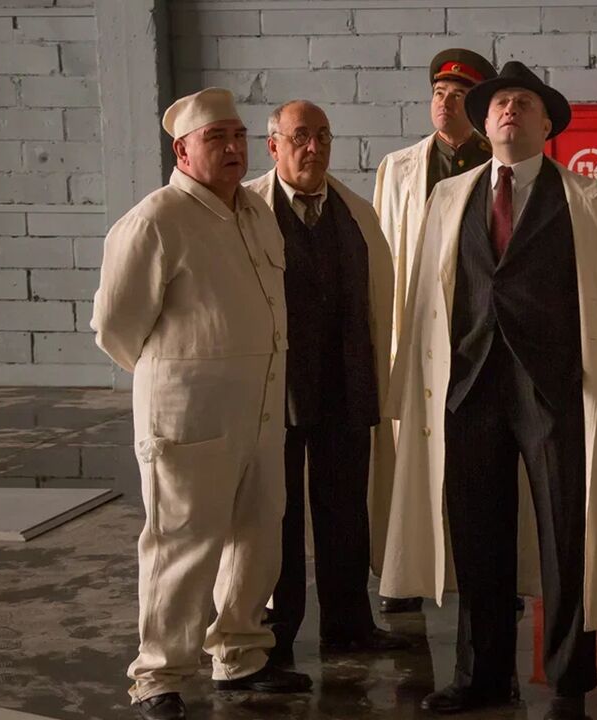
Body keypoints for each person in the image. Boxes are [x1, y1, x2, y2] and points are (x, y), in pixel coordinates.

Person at [383, 61, 597, 720]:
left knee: (568, 536)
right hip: (469, 386)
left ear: (548, 124)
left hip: (557, 389)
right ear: (484, 121)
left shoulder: (587, 197)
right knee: (478, 536)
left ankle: (567, 681)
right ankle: (481, 675)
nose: (510, 110)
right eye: (501, 102)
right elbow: (424, 298)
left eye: (525, 103)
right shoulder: (449, 197)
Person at [91, 87, 311, 720]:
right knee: (181, 547)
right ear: (182, 151)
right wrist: (180, 377)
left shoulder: (256, 211)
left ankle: (239, 655)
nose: (234, 148)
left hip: (261, 413)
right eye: (217, 138)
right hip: (189, 421)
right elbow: (115, 328)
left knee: (257, 539)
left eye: (238, 135)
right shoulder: (155, 221)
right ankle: (158, 677)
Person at [245, 100, 404, 664]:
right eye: (300, 137)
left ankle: (348, 624)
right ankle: (276, 632)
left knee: (346, 510)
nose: (313, 148)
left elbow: (379, 300)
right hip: (276, 388)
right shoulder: (248, 211)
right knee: (277, 513)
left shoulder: (357, 213)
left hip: (346, 383)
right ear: (274, 146)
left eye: (323, 137)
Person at [370, 49, 496, 615]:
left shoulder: (498, 160)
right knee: (411, 460)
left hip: (477, 330)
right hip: (417, 329)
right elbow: (385, 256)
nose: (445, 103)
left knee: (481, 457)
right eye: (439, 93)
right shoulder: (398, 168)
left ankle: (489, 578)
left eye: (458, 95)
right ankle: (407, 574)